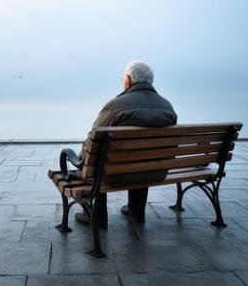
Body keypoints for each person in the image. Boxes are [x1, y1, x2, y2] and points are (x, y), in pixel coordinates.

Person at [68, 60, 177, 229]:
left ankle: (97, 216)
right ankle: (135, 209)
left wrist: (80, 160)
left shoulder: (116, 106)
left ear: (128, 79)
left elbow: (92, 143)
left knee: (97, 164)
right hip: (156, 171)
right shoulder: (167, 107)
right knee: (143, 157)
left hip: (116, 175)